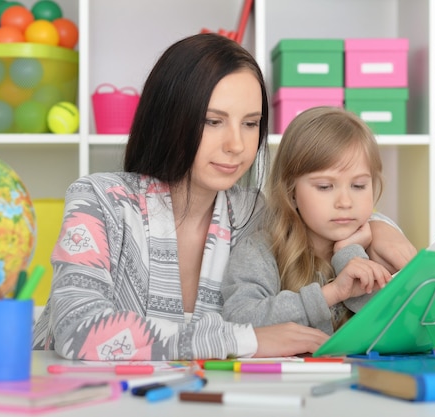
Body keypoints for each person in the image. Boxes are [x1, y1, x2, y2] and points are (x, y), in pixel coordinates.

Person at [33, 33, 415, 361]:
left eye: (251, 124)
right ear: (169, 117)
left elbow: (330, 210)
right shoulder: (99, 199)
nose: (236, 145)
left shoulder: (252, 212)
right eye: (213, 121)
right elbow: (77, 328)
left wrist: (380, 228)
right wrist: (244, 340)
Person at [222, 106, 416, 335]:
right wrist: (332, 293)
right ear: (291, 191)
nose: (345, 202)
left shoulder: (380, 248)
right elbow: (239, 318)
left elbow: (399, 329)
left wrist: (349, 253)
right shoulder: (260, 250)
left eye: (358, 186)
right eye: (325, 187)